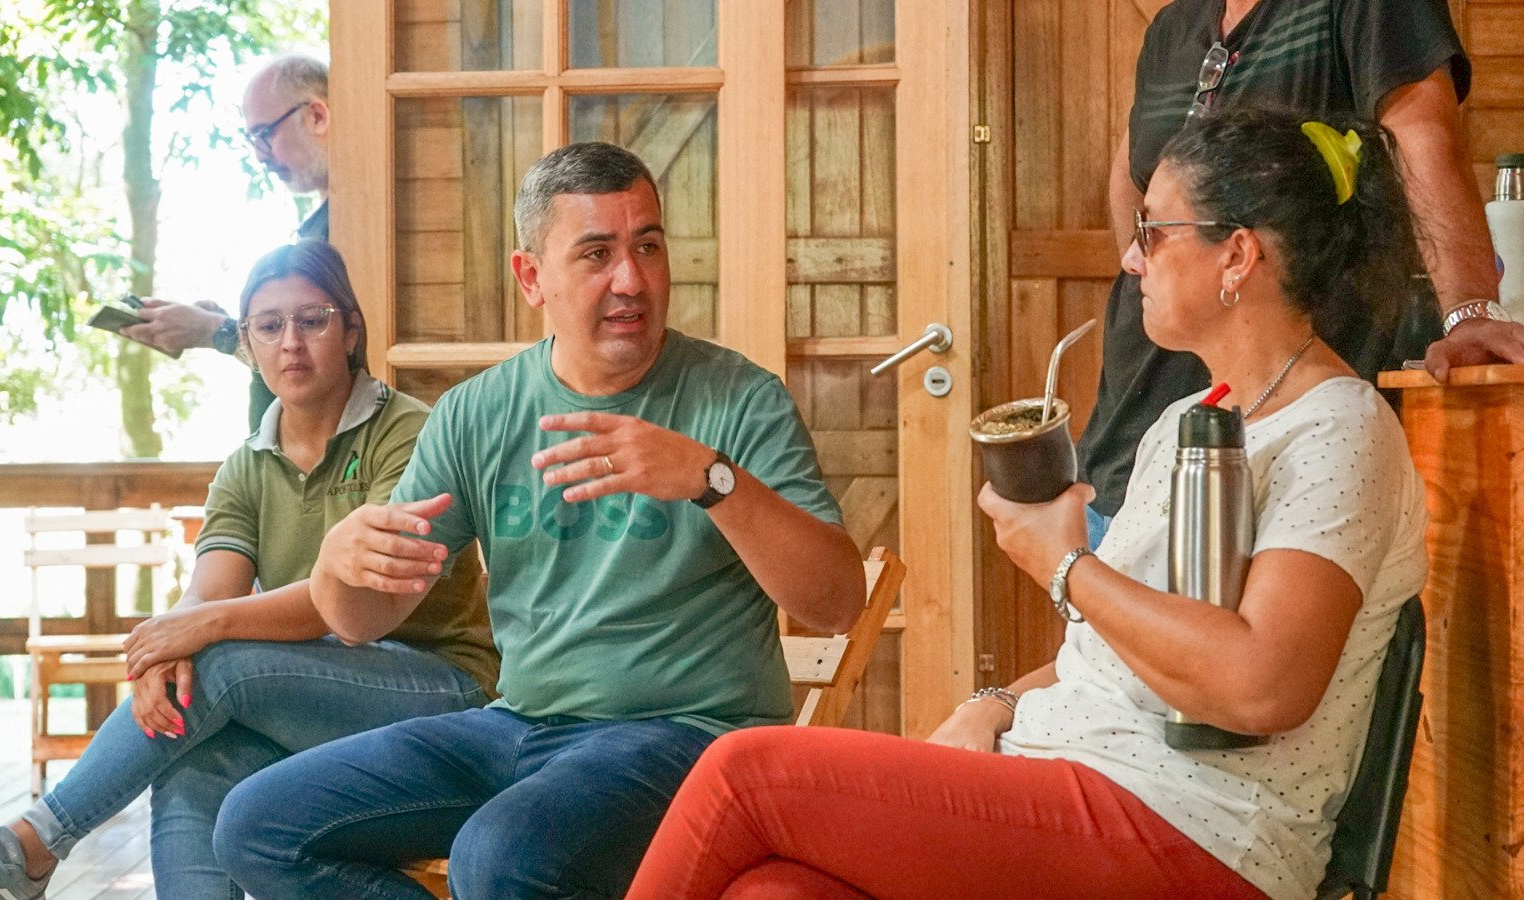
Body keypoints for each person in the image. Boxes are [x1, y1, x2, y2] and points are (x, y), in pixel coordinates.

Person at [626, 108, 1429, 900]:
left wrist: (1066, 565)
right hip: (1081, 776)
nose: (1131, 258)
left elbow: (1263, 686)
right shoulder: (1191, 419)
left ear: (1238, 255)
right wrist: (999, 702)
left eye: (1152, 232)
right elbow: (1114, 656)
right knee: (774, 892)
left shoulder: (1338, 429)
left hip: (1203, 829)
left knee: (742, 775)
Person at [208, 142, 867, 899]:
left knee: (500, 856)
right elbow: (364, 620)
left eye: (648, 247)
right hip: (517, 725)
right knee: (257, 824)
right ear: (531, 278)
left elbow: (837, 602)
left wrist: (710, 480)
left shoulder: (741, 399)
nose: (632, 280)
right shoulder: (476, 412)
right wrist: (336, 565)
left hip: (691, 735)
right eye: (597, 254)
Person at [0, 240, 497, 900]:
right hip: (315, 693)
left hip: (443, 688)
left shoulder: (408, 432)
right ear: (248, 342)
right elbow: (208, 594)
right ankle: (31, 853)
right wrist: (164, 656)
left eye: (311, 321)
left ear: (350, 331)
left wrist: (200, 631)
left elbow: (351, 600)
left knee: (220, 664)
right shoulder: (245, 468)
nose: (290, 343)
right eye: (269, 325)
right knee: (191, 754)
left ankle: (31, 846)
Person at [1078, 0, 1524, 548]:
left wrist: (1470, 309)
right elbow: (1130, 176)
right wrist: (1155, 262)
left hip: (1280, 450)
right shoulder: (1173, 27)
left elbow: (1422, 136)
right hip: (1132, 435)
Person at [120, 53, 333, 431]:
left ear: (316, 116)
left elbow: (329, 363)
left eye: (265, 134)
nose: (260, 156)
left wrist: (216, 331)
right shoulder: (321, 222)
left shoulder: (351, 227)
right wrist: (234, 326)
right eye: (252, 139)